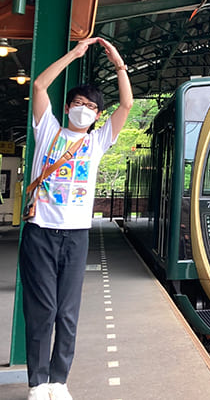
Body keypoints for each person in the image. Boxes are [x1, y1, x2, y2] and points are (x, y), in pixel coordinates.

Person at [20, 37, 132, 400]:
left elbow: (127, 104)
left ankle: (58, 380)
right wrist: (73, 53)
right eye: (78, 104)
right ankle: (37, 383)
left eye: (90, 107)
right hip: (40, 232)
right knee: (42, 309)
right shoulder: (49, 131)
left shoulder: (97, 143)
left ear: (98, 115)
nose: (84, 110)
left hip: (76, 235)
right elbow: (39, 85)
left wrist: (118, 64)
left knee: (67, 312)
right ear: (68, 107)